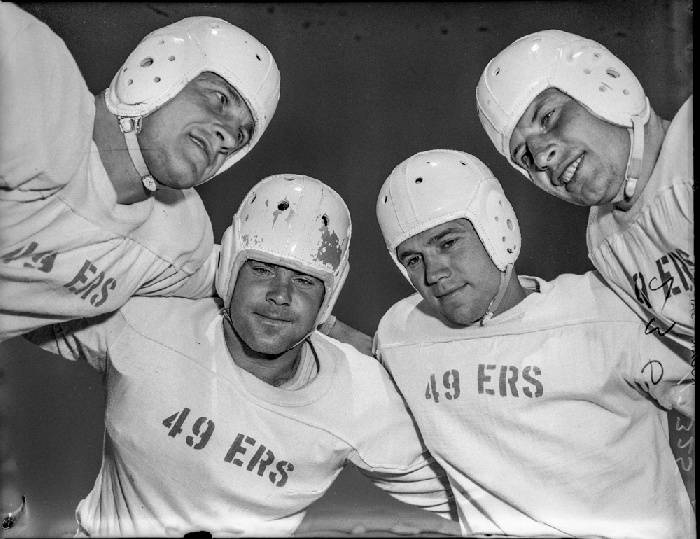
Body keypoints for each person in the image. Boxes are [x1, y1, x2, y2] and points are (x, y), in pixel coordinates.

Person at [25, 174, 458, 537]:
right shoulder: (147, 319)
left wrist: (414, 375)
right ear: (230, 266)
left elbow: (483, 494)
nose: (280, 296)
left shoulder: (360, 393)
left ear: (329, 298)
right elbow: (20, 294)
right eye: (263, 269)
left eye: (305, 281)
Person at [374, 149, 695, 538]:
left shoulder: (605, 310)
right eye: (412, 259)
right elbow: (355, 367)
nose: (434, 272)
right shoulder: (401, 334)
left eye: (447, 243)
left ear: (496, 224)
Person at [0, 3, 280, 342]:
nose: (227, 136)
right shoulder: (35, 82)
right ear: (156, 65)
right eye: (220, 99)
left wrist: (338, 329)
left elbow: (247, 281)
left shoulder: (172, 241)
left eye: (241, 135)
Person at [475, 29, 694, 352]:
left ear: (606, 83)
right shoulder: (605, 239)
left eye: (548, 117)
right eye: (524, 156)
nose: (540, 157)